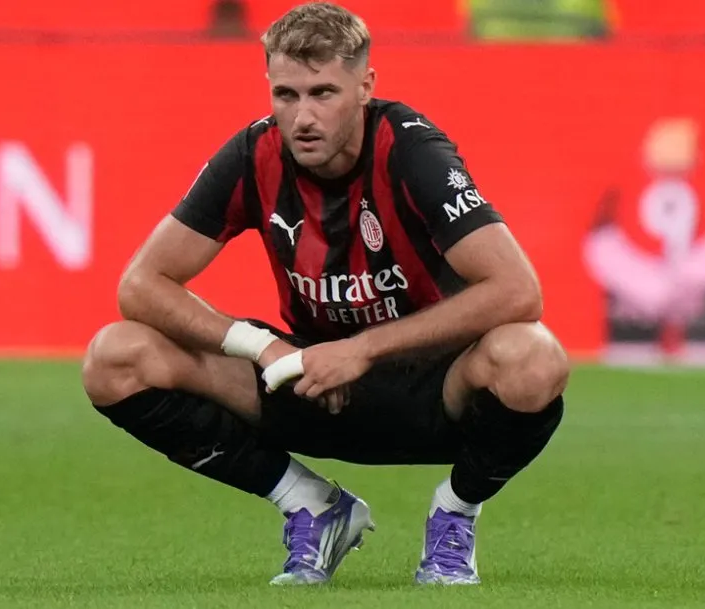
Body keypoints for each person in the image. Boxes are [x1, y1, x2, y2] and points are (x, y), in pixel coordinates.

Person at [82, 1, 569, 587]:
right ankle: (310, 505)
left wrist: (361, 349)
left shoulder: (410, 150)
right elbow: (140, 284)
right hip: (311, 384)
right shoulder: (254, 154)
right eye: (286, 95)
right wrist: (264, 349)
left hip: (432, 386)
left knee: (533, 357)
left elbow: (518, 290)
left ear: (365, 86)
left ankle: (455, 514)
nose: (303, 117)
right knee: (116, 356)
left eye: (323, 93)